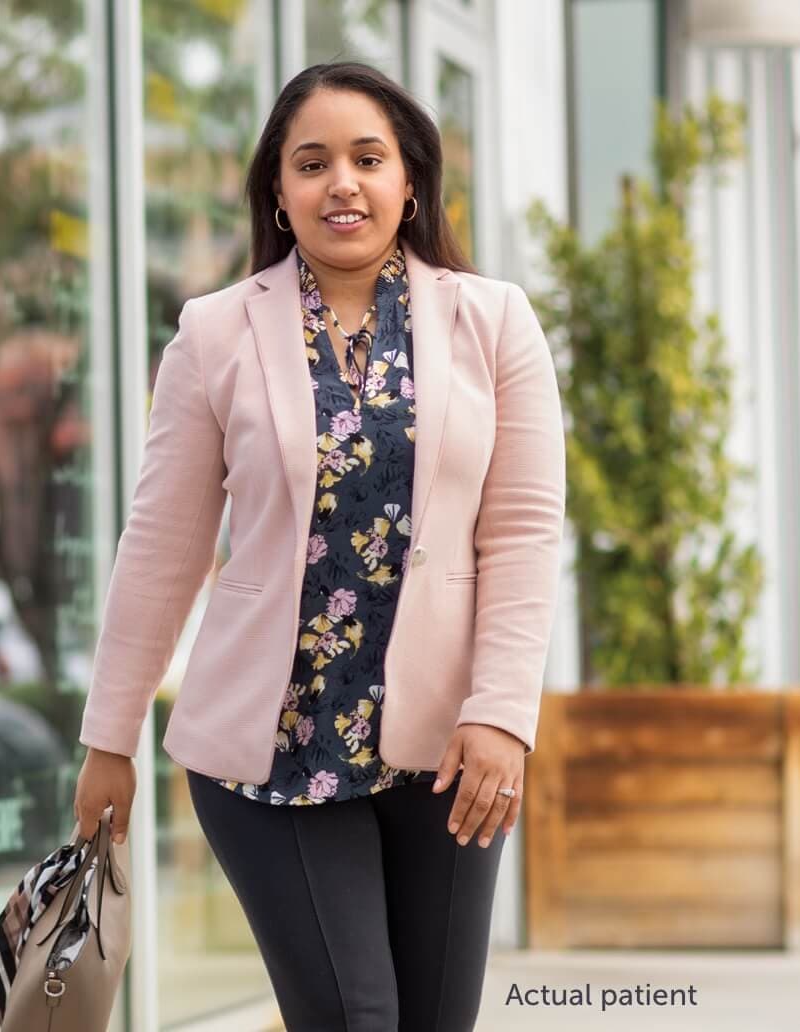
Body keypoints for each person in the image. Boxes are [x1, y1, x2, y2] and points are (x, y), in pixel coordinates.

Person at [72, 61, 566, 1032]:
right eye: (313, 163)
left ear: (410, 181)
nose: (343, 182)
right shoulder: (214, 336)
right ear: (279, 192)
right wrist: (107, 739)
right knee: (353, 1017)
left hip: (447, 755)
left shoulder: (494, 322)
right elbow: (160, 551)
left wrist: (504, 716)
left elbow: (522, 532)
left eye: (368, 158)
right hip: (274, 753)